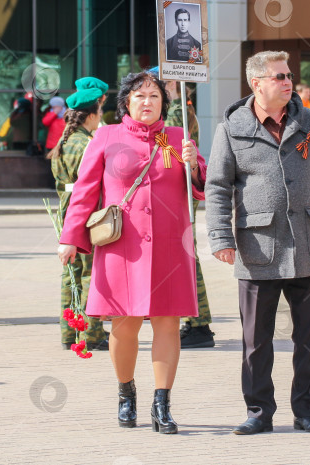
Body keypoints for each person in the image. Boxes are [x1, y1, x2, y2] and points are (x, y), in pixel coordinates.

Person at [205, 50, 310, 436]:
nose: (287, 82)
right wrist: (220, 236)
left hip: (308, 244)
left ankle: (306, 411)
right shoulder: (232, 128)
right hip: (257, 249)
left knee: (309, 339)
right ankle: (258, 412)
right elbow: (218, 187)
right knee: (256, 342)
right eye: (278, 76)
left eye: (288, 75)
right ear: (257, 84)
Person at [58, 71, 205, 433]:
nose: (147, 101)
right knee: (125, 326)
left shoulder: (176, 138)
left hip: (171, 245)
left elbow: (201, 185)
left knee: (168, 324)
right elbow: (85, 191)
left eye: (154, 95)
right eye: (139, 95)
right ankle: (126, 393)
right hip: (124, 248)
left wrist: (194, 164)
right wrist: (70, 238)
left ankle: (162, 403)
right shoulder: (106, 136)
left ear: (163, 104)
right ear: (126, 102)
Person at [159, 73, 216, 349]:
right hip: (182, 189)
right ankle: (197, 322)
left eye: (161, 85)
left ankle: (198, 324)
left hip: (180, 190)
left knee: (186, 256)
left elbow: (169, 153)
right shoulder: (185, 109)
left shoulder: (177, 112)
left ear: (172, 85)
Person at [50, 87, 108, 351]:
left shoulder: (65, 139)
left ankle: (69, 332)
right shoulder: (87, 143)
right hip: (86, 209)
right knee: (88, 271)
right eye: (100, 111)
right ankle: (91, 334)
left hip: (66, 205)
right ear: (92, 115)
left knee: (70, 272)